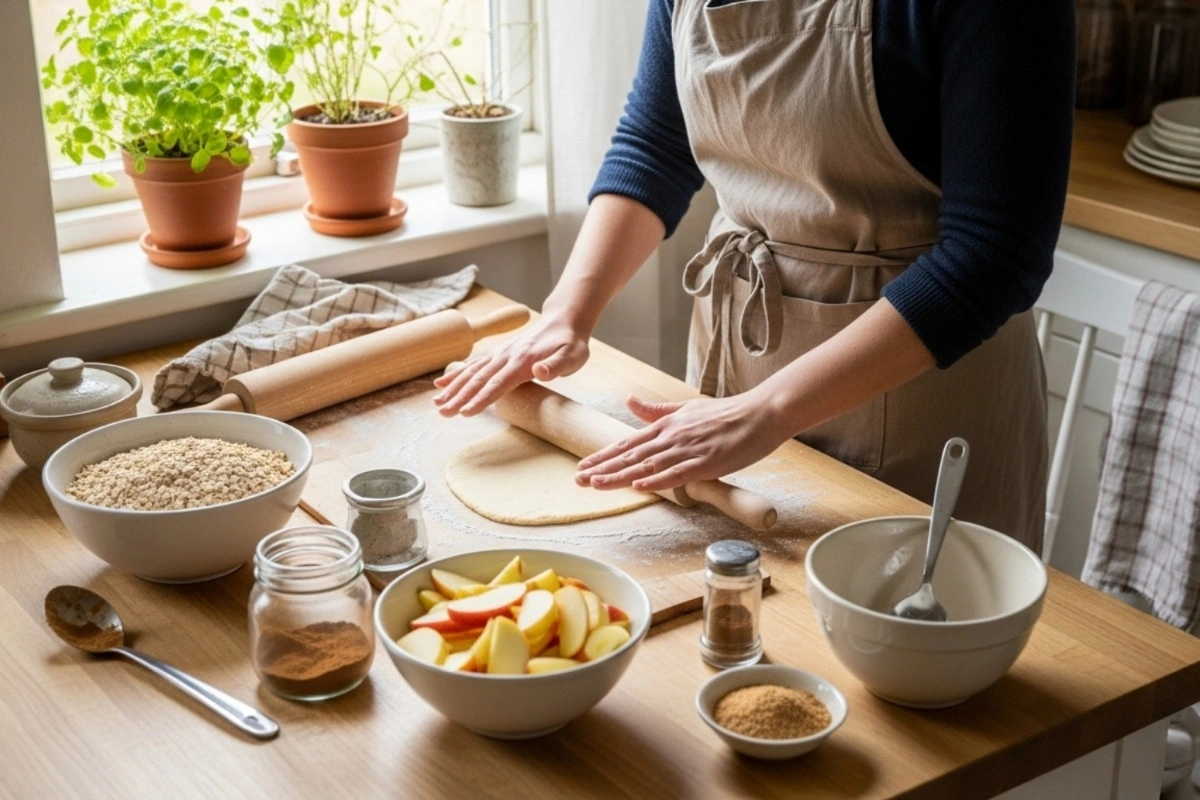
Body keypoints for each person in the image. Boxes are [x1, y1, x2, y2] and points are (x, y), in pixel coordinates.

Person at [435, 0, 1075, 551]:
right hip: (732, 384)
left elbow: (995, 253)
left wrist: (768, 410)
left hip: (919, 401)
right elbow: (656, 144)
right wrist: (565, 315)